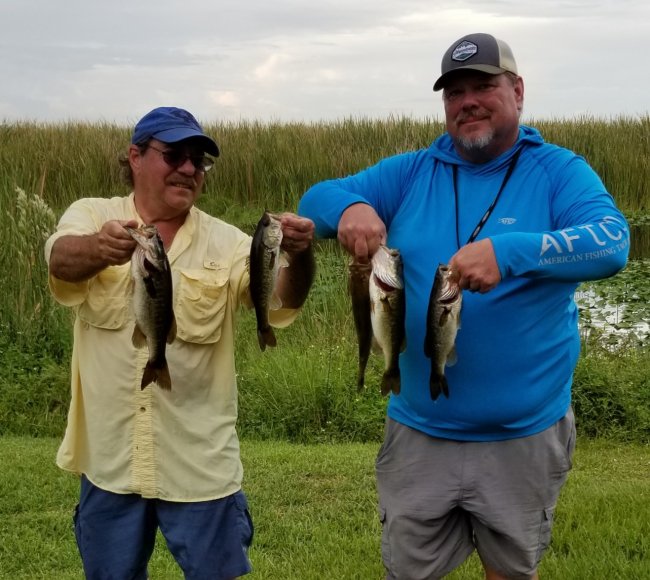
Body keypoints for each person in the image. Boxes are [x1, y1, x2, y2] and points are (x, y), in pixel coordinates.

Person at [298, 33, 629, 580]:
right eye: (455, 92)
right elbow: (316, 200)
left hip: (523, 436)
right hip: (419, 432)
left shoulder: (558, 171)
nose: (468, 101)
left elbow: (612, 243)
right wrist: (353, 207)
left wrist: (510, 252)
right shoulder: (410, 171)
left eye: (483, 86)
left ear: (517, 91)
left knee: (509, 572)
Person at [45, 106, 315, 580]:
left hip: (200, 467)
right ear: (135, 157)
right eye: (174, 155)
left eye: (199, 160)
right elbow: (59, 259)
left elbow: (280, 299)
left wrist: (302, 255)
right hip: (110, 463)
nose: (189, 169)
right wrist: (98, 248)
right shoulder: (93, 214)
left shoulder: (229, 243)